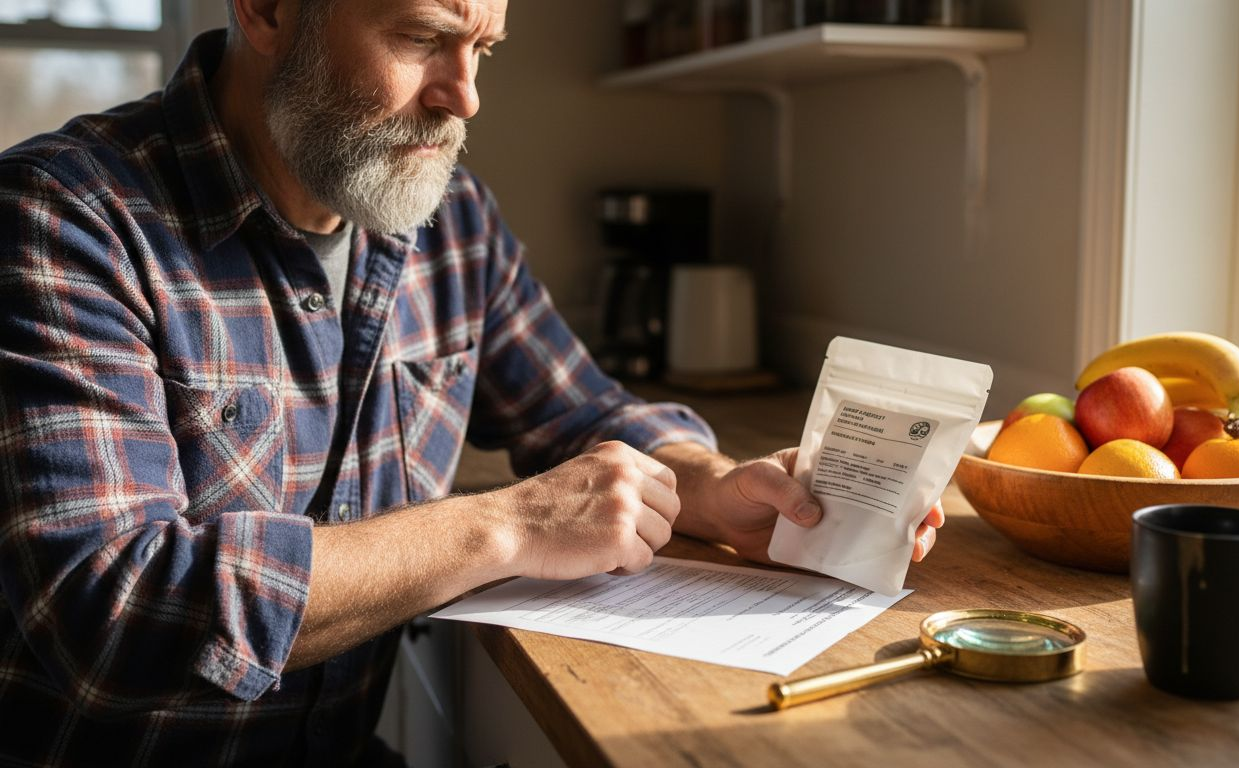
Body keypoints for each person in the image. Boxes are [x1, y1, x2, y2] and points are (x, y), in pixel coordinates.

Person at [0, 0, 944, 764]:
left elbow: (579, 409)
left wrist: (705, 484)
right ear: (268, 10)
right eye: (422, 39)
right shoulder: (64, 218)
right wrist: (509, 524)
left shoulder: (447, 219)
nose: (466, 97)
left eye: (484, 46)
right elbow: (114, 612)